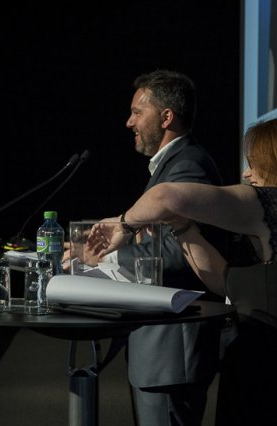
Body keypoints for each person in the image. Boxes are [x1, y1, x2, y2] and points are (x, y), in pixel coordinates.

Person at [87, 114, 277, 426]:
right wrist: (182, 228)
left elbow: (166, 196)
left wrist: (123, 224)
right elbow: (222, 281)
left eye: (255, 164)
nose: (246, 173)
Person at [67, 69, 227, 426]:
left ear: (166, 117)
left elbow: (177, 255)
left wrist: (102, 256)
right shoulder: (173, 164)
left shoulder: (187, 167)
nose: (129, 122)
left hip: (172, 350)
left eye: (137, 112)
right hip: (161, 350)